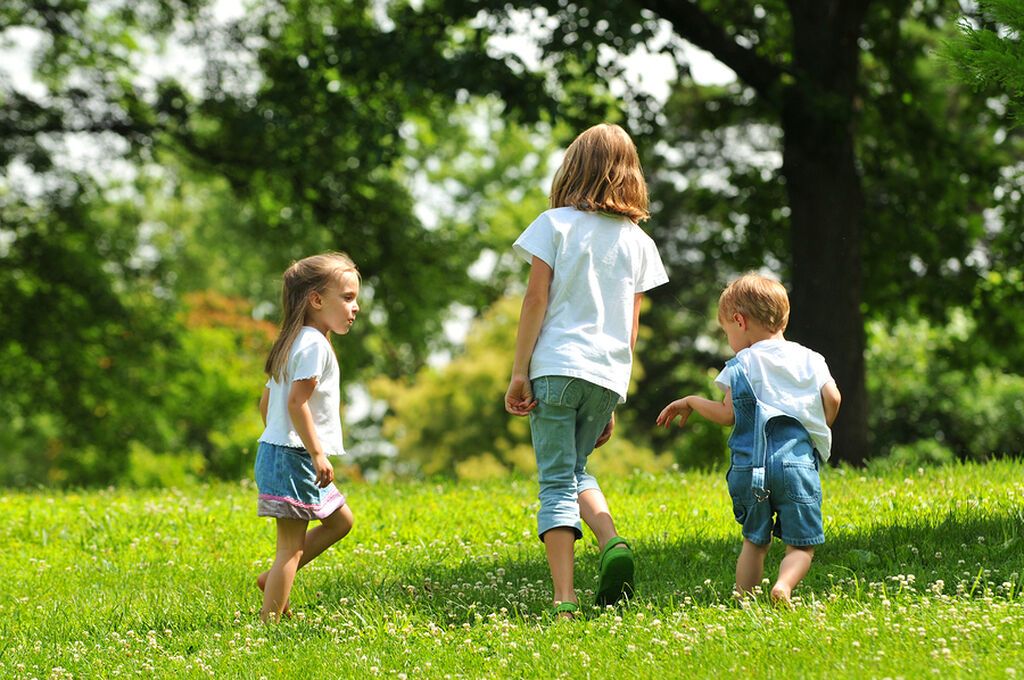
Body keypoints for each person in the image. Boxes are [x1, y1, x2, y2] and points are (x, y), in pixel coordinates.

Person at [505, 123, 669, 619]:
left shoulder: (555, 224)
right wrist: (613, 395)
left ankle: (564, 599)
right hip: (606, 375)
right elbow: (632, 327)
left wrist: (518, 372)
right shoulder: (638, 242)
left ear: (573, 169)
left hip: (556, 368)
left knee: (555, 481)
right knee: (578, 471)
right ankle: (611, 539)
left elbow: (536, 299)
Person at [656, 273, 841, 605]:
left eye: (727, 331)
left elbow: (728, 414)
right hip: (796, 464)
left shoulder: (740, 363)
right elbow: (834, 398)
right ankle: (783, 585)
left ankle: (743, 601)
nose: (729, 339)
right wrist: (818, 426)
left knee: (754, 541)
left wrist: (694, 402)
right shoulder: (811, 359)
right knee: (801, 544)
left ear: (739, 321)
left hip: (750, 467)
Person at [254, 252, 360, 622]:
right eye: (347, 298)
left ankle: (272, 582)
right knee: (290, 548)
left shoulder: (292, 341)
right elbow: (298, 403)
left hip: (281, 452)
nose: (355, 307)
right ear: (316, 300)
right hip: (296, 457)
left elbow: (267, 403)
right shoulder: (313, 344)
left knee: (340, 520)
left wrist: (277, 437)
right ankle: (269, 624)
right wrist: (316, 453)